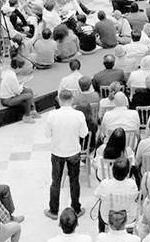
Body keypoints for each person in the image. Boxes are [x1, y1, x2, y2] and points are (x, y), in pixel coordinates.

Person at [44, 90, 89, 221]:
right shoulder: (79, 115)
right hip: (73, 151)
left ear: (59, 100)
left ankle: (53, 210)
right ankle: (76, 208)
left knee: (55, 182)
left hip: (57, 152)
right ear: (72, 99)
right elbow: (84, 134)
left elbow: (47, 134)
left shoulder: (52, 115)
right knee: (74, 181)